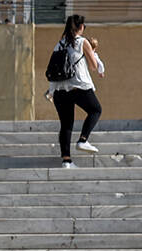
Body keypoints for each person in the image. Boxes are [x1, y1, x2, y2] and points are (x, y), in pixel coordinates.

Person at [47, 15, 104, 169]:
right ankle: (83, 140)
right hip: (78, 86)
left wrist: (51, 91)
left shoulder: (59, 44)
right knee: (96, 110)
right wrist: (91, 53)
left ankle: (66, 161)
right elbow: (93, 66)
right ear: (81, 27)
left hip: (59, 89)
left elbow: (52, 67)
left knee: (66, 124)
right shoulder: (82, 41)